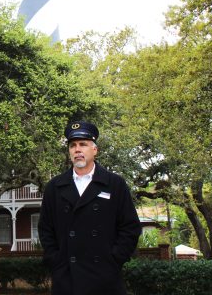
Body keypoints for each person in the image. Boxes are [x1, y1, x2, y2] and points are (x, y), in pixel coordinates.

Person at [38, 121, 141, 295]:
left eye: (83, 144)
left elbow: (130, 227)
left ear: (95, 150)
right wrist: (56, 260)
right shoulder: (55, 187)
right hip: (67, 279)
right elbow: (45, 229)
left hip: (105, 278)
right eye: (73, 145)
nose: (77, 149)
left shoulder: (114, 184)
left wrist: (114, 259)